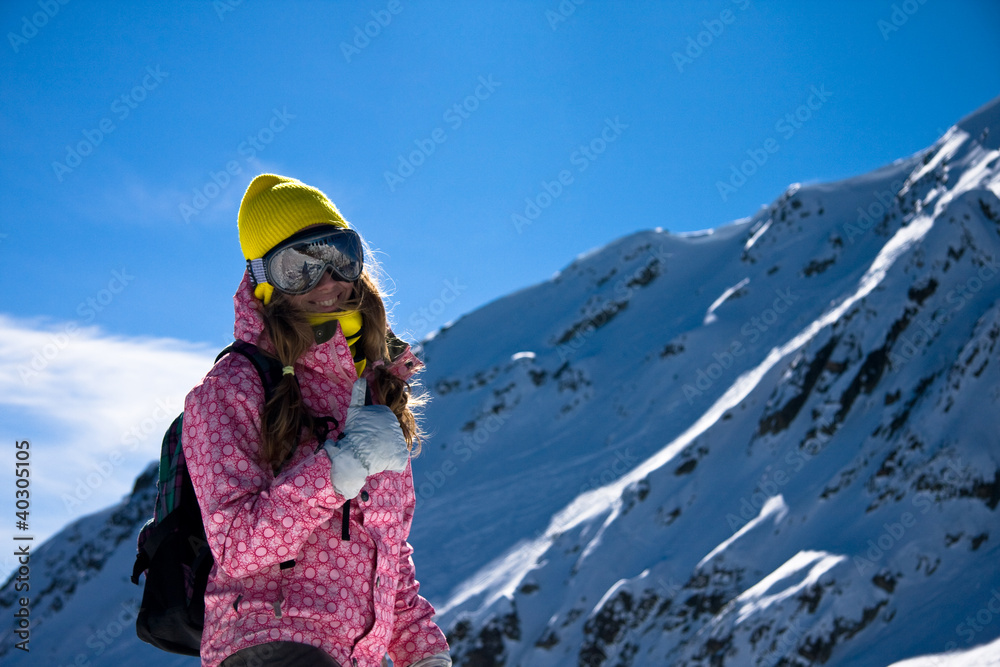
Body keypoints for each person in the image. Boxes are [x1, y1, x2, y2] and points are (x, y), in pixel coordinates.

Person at [181, 174, 451, 667]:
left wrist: (423, 651)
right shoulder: (229, 389)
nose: (327, 282)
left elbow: (387, 549)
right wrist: (337, 470)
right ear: (263, 278)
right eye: (298, 267)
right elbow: (237, 544)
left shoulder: (371, 391)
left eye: (340, 256)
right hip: (267, 642)